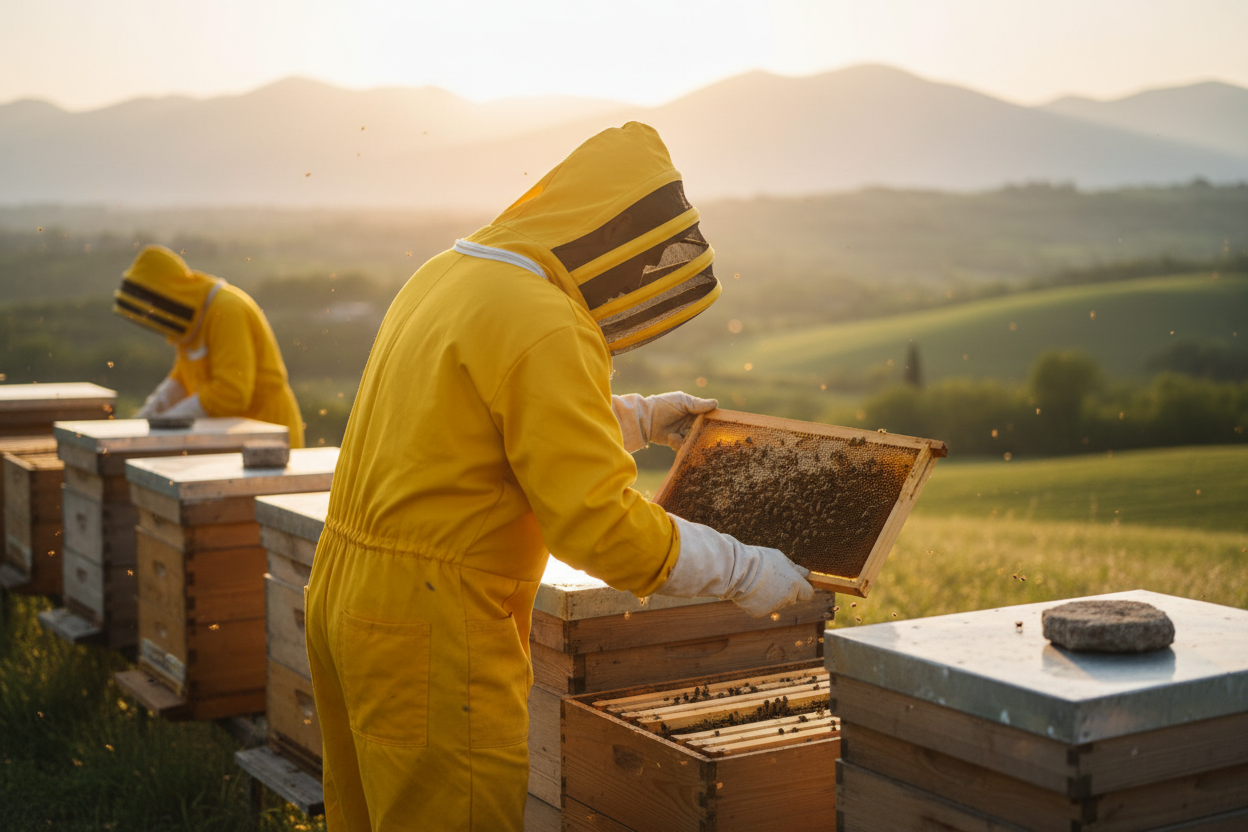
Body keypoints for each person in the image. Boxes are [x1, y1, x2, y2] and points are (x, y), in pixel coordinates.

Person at [304, 122, 812, 831]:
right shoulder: (544, 318)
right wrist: (742, 569)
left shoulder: (450, 275)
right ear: (611, 237)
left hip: (345, 593)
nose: (635, 287)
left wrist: (637, 417)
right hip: (434, 625)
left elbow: (477, 424)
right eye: (642, 266)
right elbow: (600, 529)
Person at [112, 244, 305, 447]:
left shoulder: (227, 311)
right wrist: (147, 415)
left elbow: (232, 393)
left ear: (165, 295)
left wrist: (169, 421)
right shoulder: (195, 322)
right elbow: (182, 379)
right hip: (236, 436)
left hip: (269, 434)